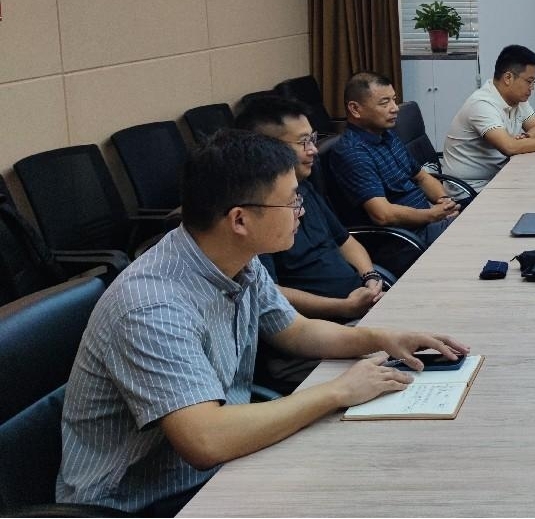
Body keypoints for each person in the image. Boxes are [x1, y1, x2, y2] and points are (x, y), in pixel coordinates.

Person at [58, 130, 470, 515]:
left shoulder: (236, 258)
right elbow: (206, 440)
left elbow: (296, 331)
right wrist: (339, 391)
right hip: (143, 500)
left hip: (219, 463)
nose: (300, 211)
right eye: (290, 202)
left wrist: (382, 337)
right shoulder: (152, 306)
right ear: (239, 220)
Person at [235, 95, 386, 322]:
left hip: (360, 303)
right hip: (325, 322)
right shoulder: (256, 211)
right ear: (268, 148)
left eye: (313, 139)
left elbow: (344, 240)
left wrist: (370, 278)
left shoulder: (304, 186)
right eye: (303, 142)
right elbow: (269, 292)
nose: (314, 149)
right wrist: (343, 308)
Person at [325, 72, 458, 251]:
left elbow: (422, 177)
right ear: (355, 109)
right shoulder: (352, 152)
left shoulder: (387, 135)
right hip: (404, 241)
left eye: (394, 100)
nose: (395, 108)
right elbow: (382, 215)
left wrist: (445, 202)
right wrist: (432, 215)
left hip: (426, 224)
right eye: (384, 103)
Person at [442, 44, 535, 191]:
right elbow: (509, 147)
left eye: (534, 82)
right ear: (508, 78)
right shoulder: (482, 104)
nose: (532, 88)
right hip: (471, 190)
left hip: (499, 177)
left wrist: (526, 138)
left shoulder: (517, 99)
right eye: (529, 81)